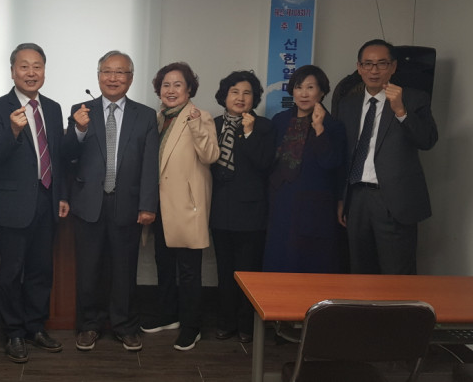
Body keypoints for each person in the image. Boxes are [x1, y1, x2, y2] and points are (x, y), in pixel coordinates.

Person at [62, 51, 159, 352]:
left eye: (120, 72)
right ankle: (89, 325)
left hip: (127, 203)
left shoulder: (145, 115)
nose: (113, 78)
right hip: (88, 203)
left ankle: (125, 325)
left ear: (130, 78)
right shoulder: (81, 111)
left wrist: (147, 204)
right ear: (98, 75)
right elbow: (66, 156)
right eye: (107, 71)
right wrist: (78, 129)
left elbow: (150, 164)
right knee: (88, 269)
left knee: (124, 270)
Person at [0, 43, 69, 363]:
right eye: (24, 66)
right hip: (13, 206)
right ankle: (13, 332)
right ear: (12, 71)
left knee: (41, 270)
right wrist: (13, 131)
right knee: (11, 272)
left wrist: (62, 195)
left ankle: (35, 326)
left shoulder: (53, 108)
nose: (31, 73)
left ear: (44, 70)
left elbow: (57, 157)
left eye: (37, 66)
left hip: (47, 201)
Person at [338, 39, 438, 275]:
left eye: (381, 64)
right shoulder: (347, 105)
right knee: (360, 272)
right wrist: (342, 199)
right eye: (368, 64)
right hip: (357, 198)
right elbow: (344, 153)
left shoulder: (414, 99)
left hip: (394, 201)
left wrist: (401, 111)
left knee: (397, 275)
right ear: (359, 67)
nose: (374, 70)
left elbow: (428, 140)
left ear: (393, 67)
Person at [141, 62, 219, 351]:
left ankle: (191, 326)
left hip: (186, 206)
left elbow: (210, 155)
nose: (171, 90)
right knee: (163, 263)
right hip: (160, 206)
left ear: (189, 89)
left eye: (177, 85)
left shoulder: (200, 116)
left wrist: (196, 126)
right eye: (166, 85)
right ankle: (168, 315)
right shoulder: (159, 118)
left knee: (188, 271)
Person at [209, 71, 274, 343]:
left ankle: (247, 325)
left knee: (248, 271)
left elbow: (264, 164)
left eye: (247, 93)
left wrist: (248, 134)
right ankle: (226, 322)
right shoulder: (212, 124)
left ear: (254, 98)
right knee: (224, 271)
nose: (240, 97)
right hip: (219, 209)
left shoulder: (264, 126)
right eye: (234, 92)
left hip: (250, 212)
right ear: (225, 96)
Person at [264, 65, 347, 274]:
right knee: (279, 256)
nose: (303, 94)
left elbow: (332, 163)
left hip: (314, 204)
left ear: (322, 92)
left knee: (309, 262)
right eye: (299, 87)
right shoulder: (280, 120)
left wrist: (319, 129)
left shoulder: (334, 126)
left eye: (310, 87)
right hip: (282, 200)